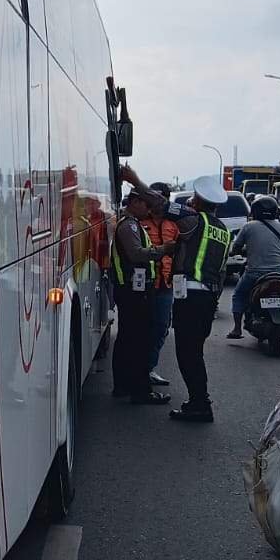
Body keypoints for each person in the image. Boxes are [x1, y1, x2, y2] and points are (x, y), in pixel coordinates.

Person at [167, 176, 233, 424]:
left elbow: (161, 205)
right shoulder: (223, 230)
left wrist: (133, 180)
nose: (191, 202)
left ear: (198, 202)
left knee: (188, 353)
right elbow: (223, 271)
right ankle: (198, 401)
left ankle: (200, 404)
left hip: (192, 296)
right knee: (194, 351)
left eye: (194, 198)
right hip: (207, 297)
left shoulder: (195, 221)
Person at [111, 166, 178, 404]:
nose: (149, 209)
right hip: (133, 291)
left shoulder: (134, 223)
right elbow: (136, 254)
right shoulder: (129, 225)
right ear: (135, 202)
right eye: (145, 204)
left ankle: (124, 386)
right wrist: (163, 250)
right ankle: (140, 391)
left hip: (137, 289)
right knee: (138, 342)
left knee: (130, 339)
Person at [226, 195, 280, 340]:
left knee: (238, 295)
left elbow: (236, 247)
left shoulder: (248, 226)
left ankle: (237, 329)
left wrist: (236, 251)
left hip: (255, 273)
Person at [142, 180, 181, 390]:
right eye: (153, 197)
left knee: (161, 328)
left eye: (161, 198)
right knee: (141, 328)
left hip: (166, 284)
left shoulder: (174, 224)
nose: (157, 202)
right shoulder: (139, 221)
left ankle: (149, 368)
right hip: (143, 286)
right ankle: (139, 370)